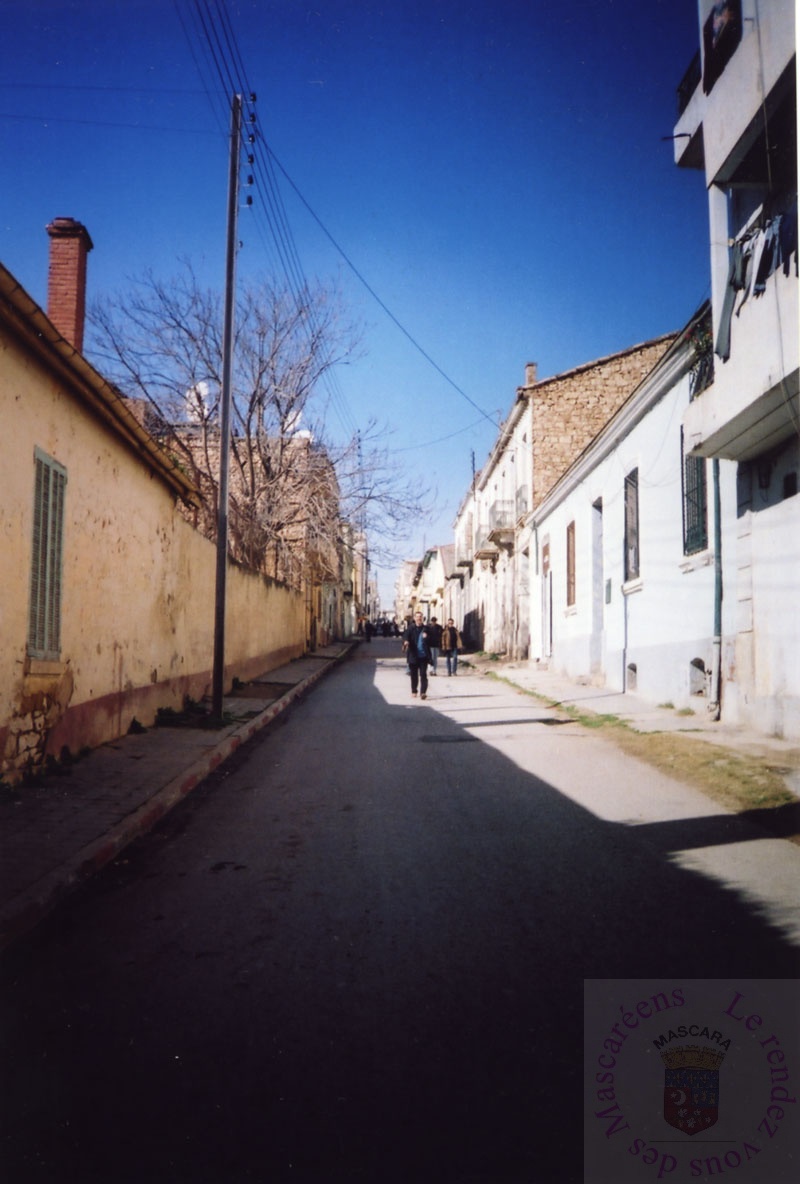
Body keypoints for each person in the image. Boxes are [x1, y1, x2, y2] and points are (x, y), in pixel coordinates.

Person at [403, 611, 432, 699]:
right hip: (413, 655)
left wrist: (427, 637)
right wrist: (406, 642)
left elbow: (433, 639)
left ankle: (423, 692)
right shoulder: (411, 628)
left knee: (423, 674)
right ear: (414, 618)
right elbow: (405, 636)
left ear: (422, 618)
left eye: (420, 617)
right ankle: (414, 690)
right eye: (417, 617)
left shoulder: (426, 629)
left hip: (423, 656)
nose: (419, 618)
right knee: (414, 675)